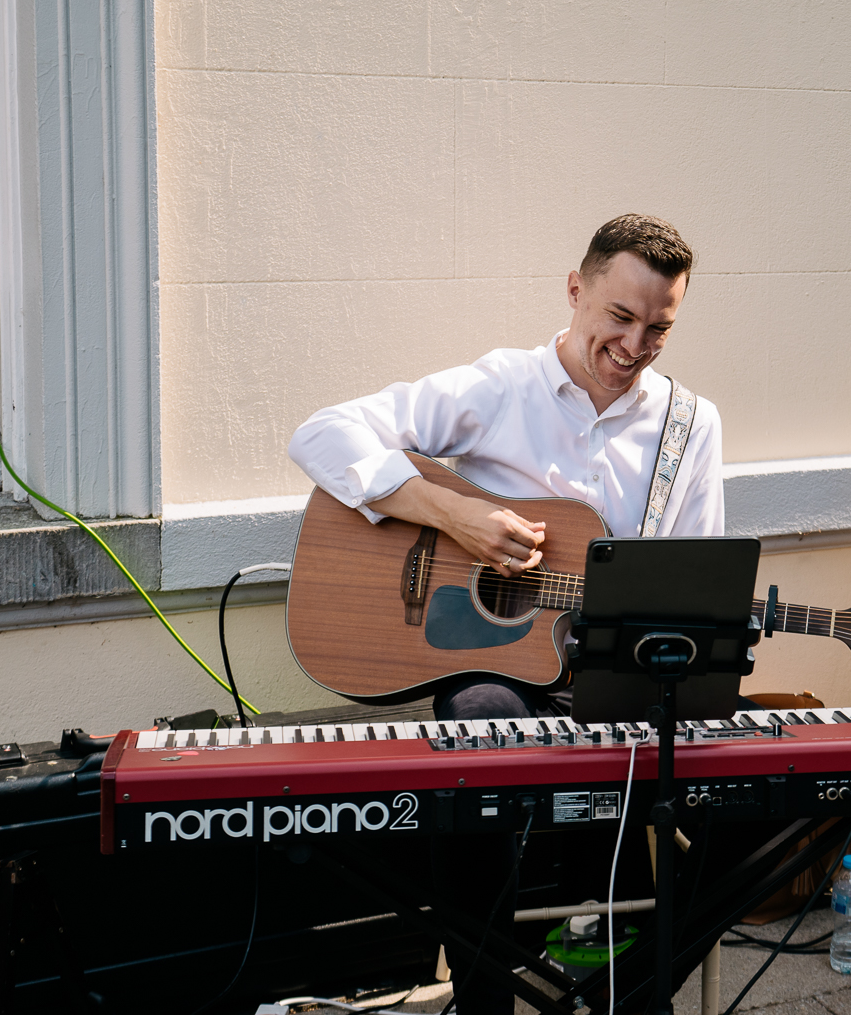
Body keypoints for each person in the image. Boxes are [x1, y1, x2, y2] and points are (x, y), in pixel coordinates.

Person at [288, 213, 724, 1015]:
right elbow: (322, 432)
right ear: (575, 291)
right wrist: (449, 514)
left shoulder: (689, 427)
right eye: (619, 319)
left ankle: (615, 991)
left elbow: (695, 580)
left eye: (658, 330)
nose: (633, 348)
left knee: (713, 799)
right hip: (495, 666)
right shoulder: (501, 387)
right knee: (476, 738)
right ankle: (486, 996)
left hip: (610, 667)